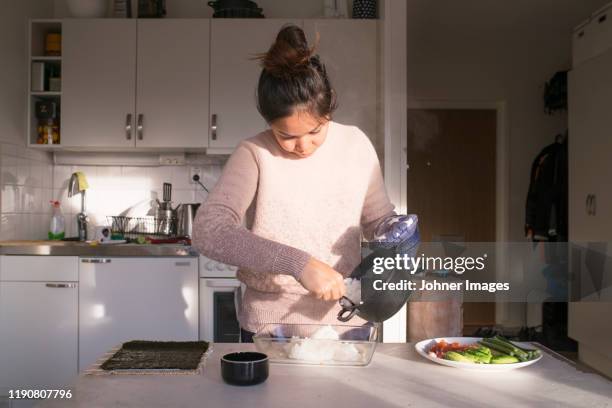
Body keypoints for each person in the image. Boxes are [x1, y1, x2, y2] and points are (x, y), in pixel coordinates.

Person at [192, 24, 399, 342]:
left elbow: (377, 222)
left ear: (328, 110)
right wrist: (298, 264)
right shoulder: (254, 153)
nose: (303, 146)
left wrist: (395, 232)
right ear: (268, 123)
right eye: (286, 136)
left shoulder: (356, 145)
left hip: (346, 324)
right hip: (271, 329)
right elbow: (209, 231)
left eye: (315, 131)